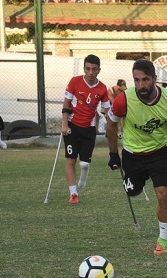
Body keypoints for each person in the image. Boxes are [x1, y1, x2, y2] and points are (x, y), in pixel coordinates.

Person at [106, 59, 167, 255]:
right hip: (132, 155)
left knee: (164, 194)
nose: (140, 85)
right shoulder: (124, 99)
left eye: (145, 80)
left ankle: (163, 240)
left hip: (160, 153)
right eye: (136, 80)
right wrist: (113, 155)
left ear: (155, 79)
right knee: (132, 191)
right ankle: (135, 184)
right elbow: (111, 125)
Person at [61, 54, 110, 204]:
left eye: (94, 69)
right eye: (88, 69)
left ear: (98, 70)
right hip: (72, 126)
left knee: (84, 163)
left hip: (89, 128)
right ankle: (73, 193)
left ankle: (83, 178)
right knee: (71, 160)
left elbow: (107, 110)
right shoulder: (74, 82)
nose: (90, 72)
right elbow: (66, 104)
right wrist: (64, 124)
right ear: (84, 69)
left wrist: (112, 128)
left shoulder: (102, 88)